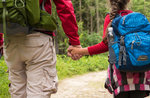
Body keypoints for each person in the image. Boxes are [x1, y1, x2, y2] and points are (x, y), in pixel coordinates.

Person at [68, 0, 150, 98]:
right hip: (141, 72)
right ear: (128, 1)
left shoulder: (111, 18)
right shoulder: (135, 17)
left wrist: (80, 51)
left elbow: (105, 45)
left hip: (121, 74)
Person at [1, 0, 82, 98]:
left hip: (10, 41)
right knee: (38, 92)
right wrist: (74, 41)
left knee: (18, 92)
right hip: (38, 40)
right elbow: (64, 6)